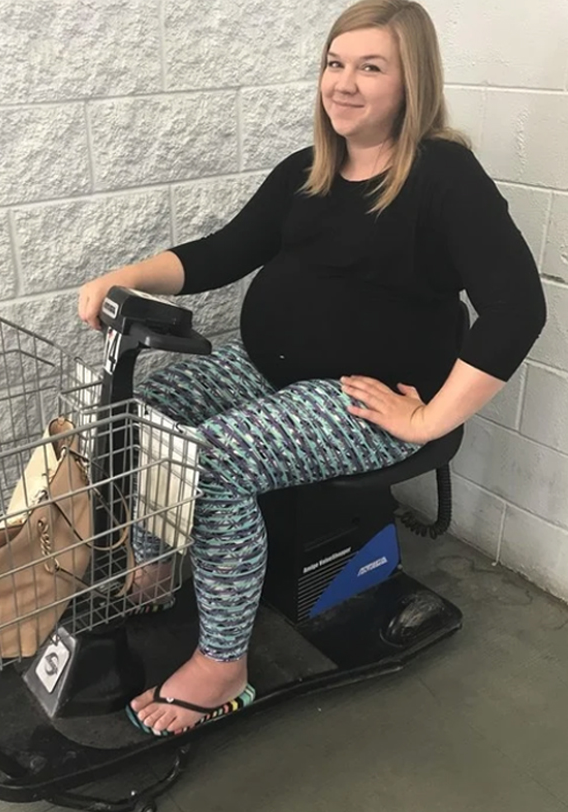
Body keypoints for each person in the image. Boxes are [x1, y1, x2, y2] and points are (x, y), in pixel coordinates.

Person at [78, 0, 546, 736]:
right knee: (150, 409)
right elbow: (224, 251)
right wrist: (126, 277)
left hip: (366, 400)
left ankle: (224, 663)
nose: (345, 83)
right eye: (336, 63)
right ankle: (157, 566)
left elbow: (518, 308)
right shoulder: (310, 169)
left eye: (371, 67)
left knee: (218, 462)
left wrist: (427, 419)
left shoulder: (443, 175)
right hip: (273, 370)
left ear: (412, 81)